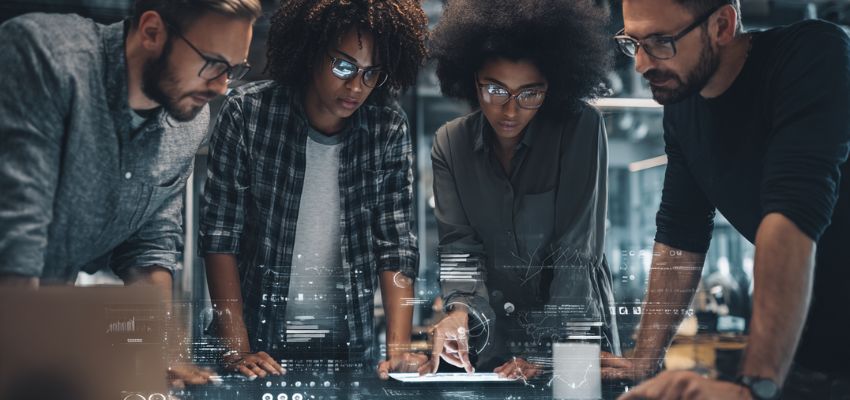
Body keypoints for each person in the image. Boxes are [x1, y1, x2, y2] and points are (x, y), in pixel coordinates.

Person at [0, 0, 260, 387]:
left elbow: (150, 244)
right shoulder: (47, 58)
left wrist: (159, 351)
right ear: (152, 32)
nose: (222, 85)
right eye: (212, 63)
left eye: (234, 70)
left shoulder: (187, 123)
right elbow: (16, 235)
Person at [604, 1, 850, 399]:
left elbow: (790, 214)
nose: (641, 64)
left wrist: (753, 386)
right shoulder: (682, 105)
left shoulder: (810, 55)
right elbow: (679, 233)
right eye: (634, 43)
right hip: (805, 354)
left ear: (722, 25)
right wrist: (643, 360)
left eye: (661, 41)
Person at [200, 0, 428, 380]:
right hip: (256, 349)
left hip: (347, 355)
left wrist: (400, 351)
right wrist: (237, 349)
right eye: (344, 66)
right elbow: (220, 236)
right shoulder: (248, 114)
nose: (356, 86)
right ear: (311, 51)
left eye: (371, 73)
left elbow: (396, 245)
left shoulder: (387, 129)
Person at [420, 0, 621, 379]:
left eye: (530, 93)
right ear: (472, 79)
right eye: (495, 90)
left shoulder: (580, 128)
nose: (511, 110)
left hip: (571, 337)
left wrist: (551, 355)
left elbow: (575, 253)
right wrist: (459, 311)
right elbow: (459, 246)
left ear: (552, 86)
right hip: (494, 348)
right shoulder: (451, 144)